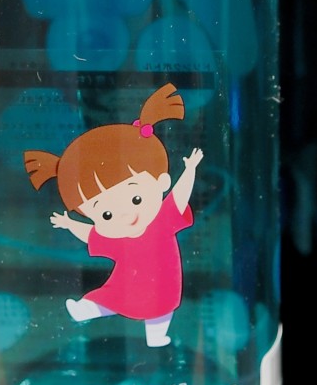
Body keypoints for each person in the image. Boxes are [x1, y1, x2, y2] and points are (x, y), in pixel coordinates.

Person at [24, 82, 202, 348]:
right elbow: (90, 233)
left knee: (162, 307)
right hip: (128, 286)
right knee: (111, 298)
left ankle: (156, 338)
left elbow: (179, 196)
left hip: (162, 286)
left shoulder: (162, 219)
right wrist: (70, 223)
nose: (124, 215)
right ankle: (84, 309)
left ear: (162, 182)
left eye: (136, 199)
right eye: (106, 214)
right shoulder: (117, 236)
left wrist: (189, 170)